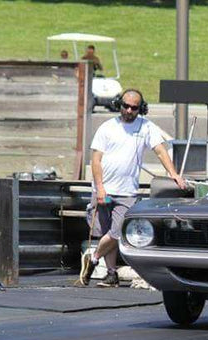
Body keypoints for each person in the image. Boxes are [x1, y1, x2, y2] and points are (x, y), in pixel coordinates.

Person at [80, 89, 186, 287]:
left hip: (127, 191)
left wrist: (173, 173)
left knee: (117, 232)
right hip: (103, 188)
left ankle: (93, 259)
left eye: (134, 108)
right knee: (106, 232)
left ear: (141, 108)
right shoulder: (106, 127)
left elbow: (161, 151)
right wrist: (100, 189)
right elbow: (96, 160)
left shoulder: (145, 127)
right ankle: (111, 274)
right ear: (119, 104)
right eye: (125, 106)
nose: (129, 110)